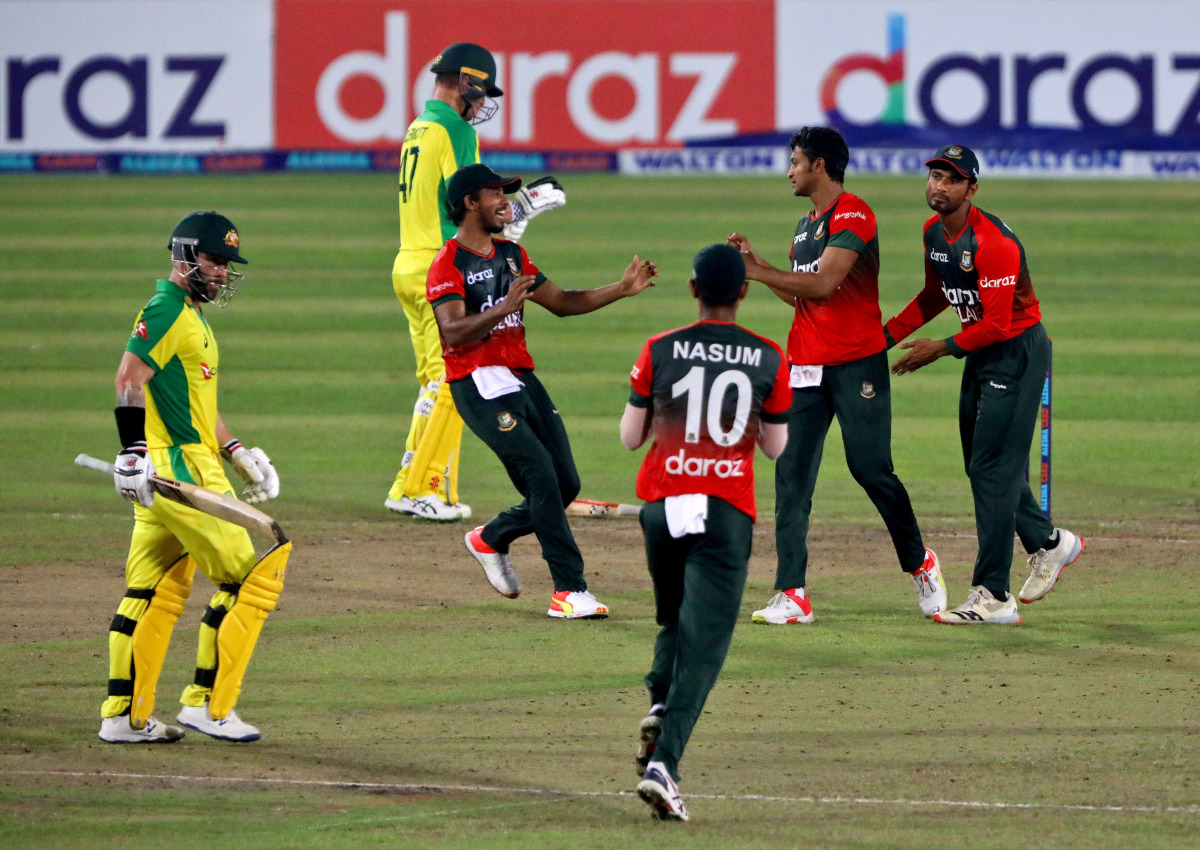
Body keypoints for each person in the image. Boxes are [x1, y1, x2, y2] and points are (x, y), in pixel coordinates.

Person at [727, 126, 944, 624]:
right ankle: (791, 592)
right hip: (804, 364)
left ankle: (920, 563)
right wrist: (756, 264)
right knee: (791, 474)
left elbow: (824, 284)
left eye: (796, 163)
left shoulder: (854, 213)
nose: (789, 172)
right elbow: (801, 293)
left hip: (856, 361)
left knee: (870, 469)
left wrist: (759, 272)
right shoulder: (805, 226)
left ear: (819, 166)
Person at [98, 211, 291, 744]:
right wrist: (133, 452)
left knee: (152, 589)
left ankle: (124, 717)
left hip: (179, 464)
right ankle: (208, 705)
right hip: (179, 468)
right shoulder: (165, 309)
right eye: (214, 260)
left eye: (227, 263)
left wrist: (235, 450)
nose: (223, 272)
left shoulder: (189, 314)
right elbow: (127, 380)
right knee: (251, 580)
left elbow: (194, 400)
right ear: (185, 257)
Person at [432, 163, 655, 619]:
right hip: (477, 382)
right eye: (496, 193)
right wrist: (504, 307)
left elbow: (563, 303)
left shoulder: (512, 254)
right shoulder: (447, 263)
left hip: (519, 377)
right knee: (540, 474)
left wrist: (622, 288)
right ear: (470, 202)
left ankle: (491, 537)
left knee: (565, 484)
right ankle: (568, 589)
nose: (505, 201)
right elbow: (452, 333)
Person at [621, 244, 791, 821]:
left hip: (661, 507)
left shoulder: (659, 348)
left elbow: (630, 437)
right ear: (744, 291)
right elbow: (775, 447)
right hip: (723, 511)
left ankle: (660, 702)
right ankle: (665, 764)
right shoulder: (769, 356)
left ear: (693, 290)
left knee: (672, 618)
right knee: (706, 646)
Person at [886, 144, 1085, 624]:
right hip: (980, 352)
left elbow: (997, 324)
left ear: (971, 189)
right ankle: (1051, 543)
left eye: (951, 179)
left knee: (993, 471)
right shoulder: (934, 231)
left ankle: (993, 595)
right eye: (934, 175)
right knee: (983, 469)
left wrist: (941, 348)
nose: (938, 185)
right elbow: (937, 293)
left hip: (1013, 352)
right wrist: (885, 336)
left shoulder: (993, 242)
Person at [385, 42, 566, 521]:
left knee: (433, 381)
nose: (484, 103)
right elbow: (465, 201)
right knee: (452, 379)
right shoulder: (456, 130)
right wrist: (516, 212)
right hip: (441, 266)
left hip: (408, 259)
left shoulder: (418, 126)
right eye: (483, 92)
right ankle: (420, 487)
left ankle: (415, 481)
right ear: (466, 82)